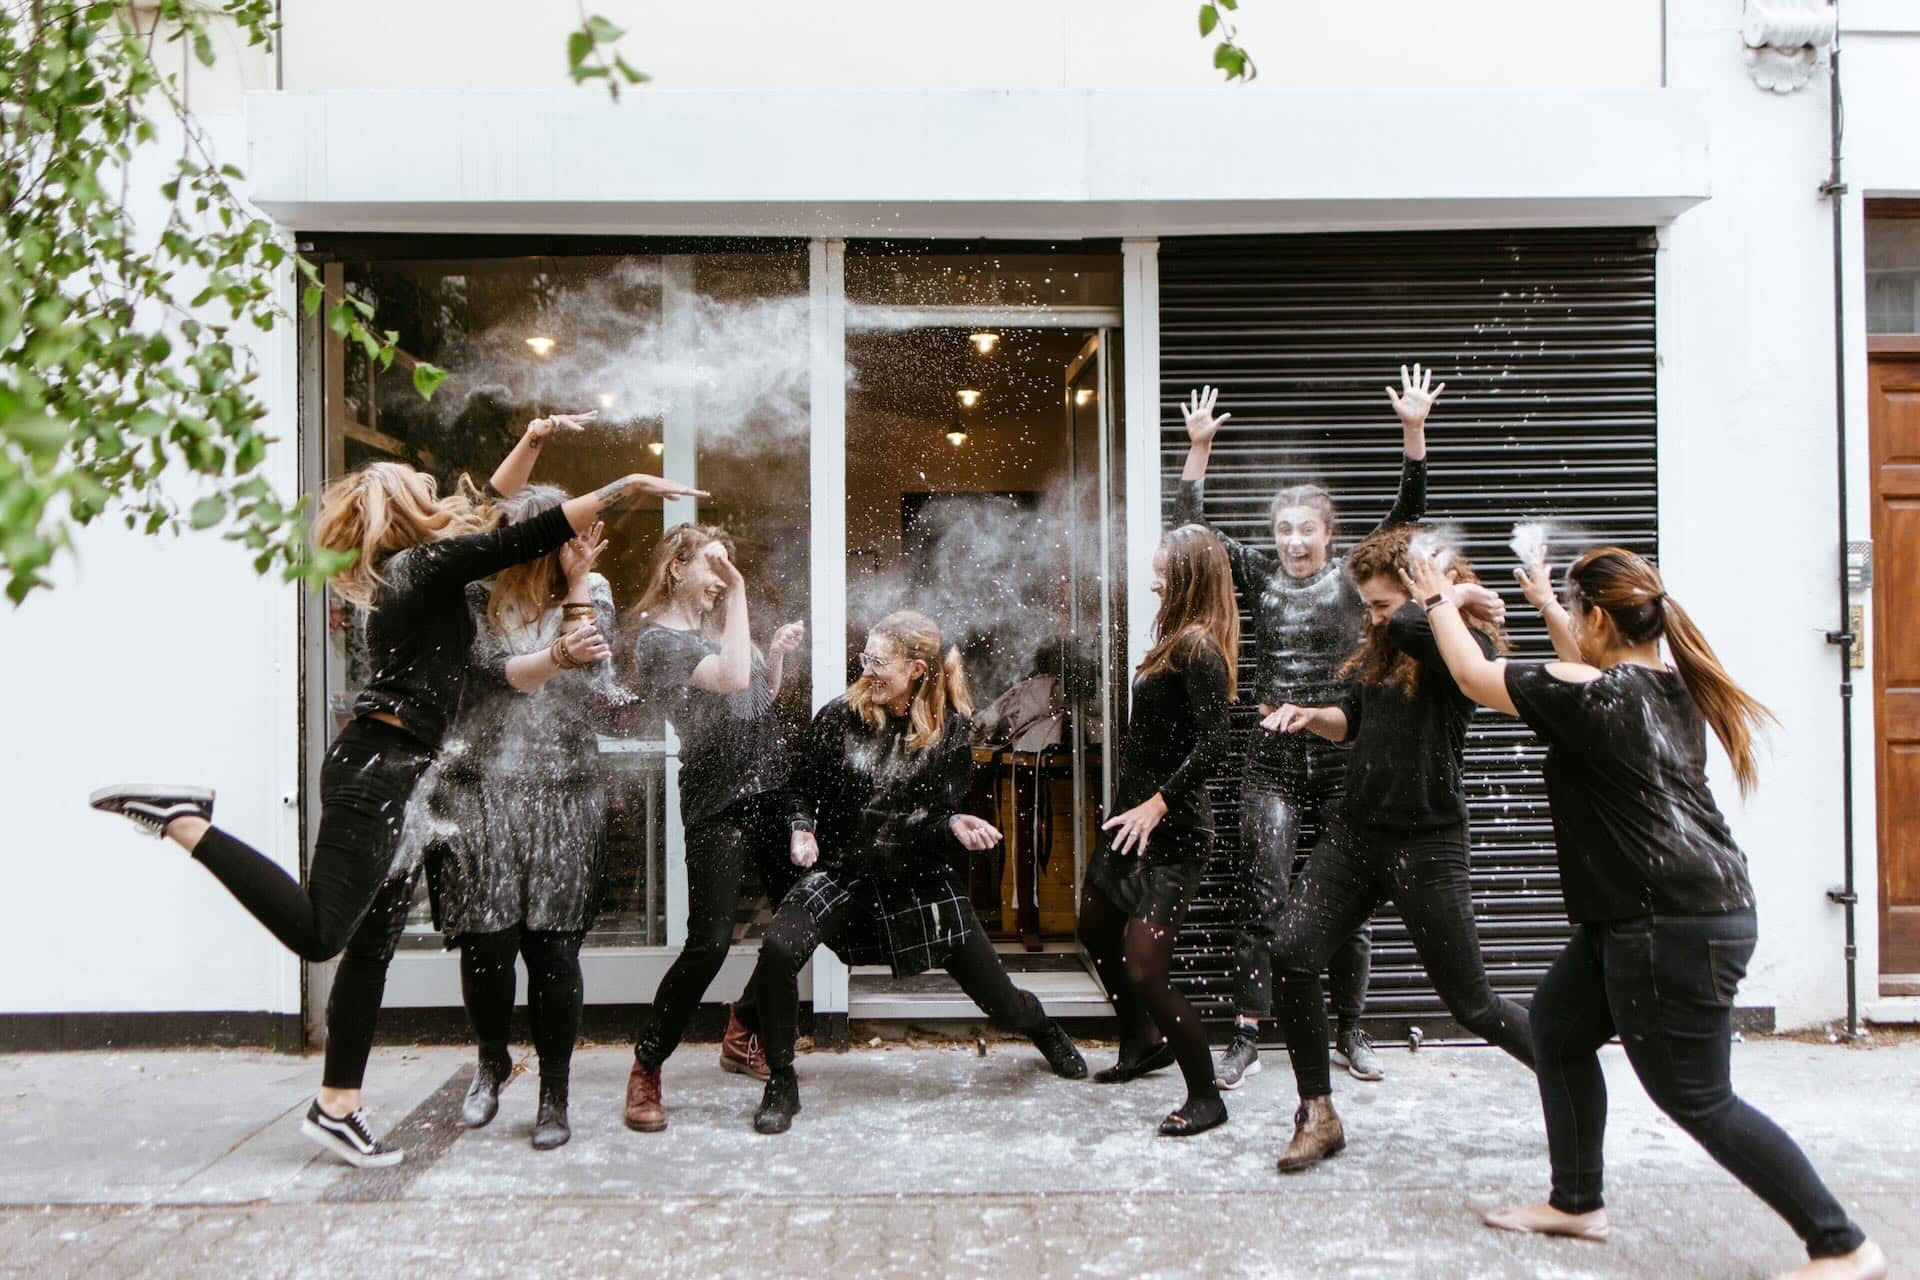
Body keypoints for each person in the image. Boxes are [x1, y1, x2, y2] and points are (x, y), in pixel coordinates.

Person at [89, 412, 702, 1167]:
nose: (440, 487)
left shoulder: (425, 565)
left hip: (409, 772)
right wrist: (627, 485)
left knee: (373, 948)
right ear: (407, 511)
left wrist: (537, 438)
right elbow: (514, 532)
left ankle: (337, 1103)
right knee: (323, 934)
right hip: (379, 761)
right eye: (423, 485)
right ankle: (184, 821)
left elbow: (492, 508)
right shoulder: (424, 568)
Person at [1401, 542, 1885, 1280]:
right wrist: (1548, 607)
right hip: (1668, 911)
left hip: (1668, 924)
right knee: (1559, 1030)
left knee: (1700, 1099)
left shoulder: (1595, 697)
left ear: (1598, 616)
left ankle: (1842, 1244)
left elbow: (1470, 675)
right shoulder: (1665, 685)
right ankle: (1577, 1203)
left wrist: (1436, 595)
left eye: (1574, 609)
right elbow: (1592, 670)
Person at [1172, 367, 1449, 1088]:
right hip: (1269, 755)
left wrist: (1413, 430)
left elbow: (1407, 517)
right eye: (1284, 529)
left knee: (1346, 900)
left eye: (1307, 529)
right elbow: (1195, 531)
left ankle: (1349, 1031)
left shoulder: (1355, 579)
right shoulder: (1260, 576)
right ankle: (1244, 1033)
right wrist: (1198, 448)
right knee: (1263, 892)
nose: (1295, 541)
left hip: (1339, 753)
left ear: (1328, 533)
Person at [740, 609, 1087, 1135]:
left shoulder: (950, 736)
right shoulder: (840, 717)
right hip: (847, 871)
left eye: (880, 662)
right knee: (779, 951)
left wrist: (951, 825)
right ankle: (782, 1078)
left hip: (918, 877)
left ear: (918, 669)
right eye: (866, 658)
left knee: (1000, 1002)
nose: (868, 671)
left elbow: (926, 820)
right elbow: (798, 787)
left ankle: (1040, 1026)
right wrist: (801, 825)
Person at [1265, 522, 1534, 1174]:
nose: (1377, 618)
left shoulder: (1455, 646)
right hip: (1358, 834)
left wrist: (1458, 597)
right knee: (1293, 953)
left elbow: (1420, 625)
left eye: (1384, 603)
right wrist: (1311, 715)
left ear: (1418, 592)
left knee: (1470, 1002)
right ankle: (1318, 1113)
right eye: (1372, 607)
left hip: (1427, 842)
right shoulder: (1385, 646)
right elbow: (1351, 720)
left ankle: (1569, 1070)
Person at [412, 482, 623, 1152]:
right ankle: (491, 1057)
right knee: (487, 944)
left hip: (565, 789)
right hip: (481, 788)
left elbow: (597, 681)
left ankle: (554, 1092)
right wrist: (555, 653)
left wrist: (580, 585)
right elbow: (491, 673)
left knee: (555, 949)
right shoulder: (475, 598)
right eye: (557, 532)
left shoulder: (595, 591)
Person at [623, 524, 808, 1133]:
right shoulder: (657, 644)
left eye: (728, 565)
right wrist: (743, 591)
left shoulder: (714, 632)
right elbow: (728, 677)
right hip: (718, 803)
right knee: (710, 943)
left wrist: (774, 656)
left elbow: (755, 699)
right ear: (677, 567)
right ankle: (647, 1064)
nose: (721, 577)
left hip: (771, 793)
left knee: (797, 926)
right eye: (713, 564)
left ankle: (744, 1024)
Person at [1078, 523, 1237, 1136]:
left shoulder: (1199, 646)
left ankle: (1206, 1097)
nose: (1152, 580)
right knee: (1095, 930)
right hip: (1131, 823)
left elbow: (1216, 744)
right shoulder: (1176, 638)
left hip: (1172, 835)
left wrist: (1157, 805)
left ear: (1188, 577)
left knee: (1145, 968)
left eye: (1163, 571)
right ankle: (1141, 1042)